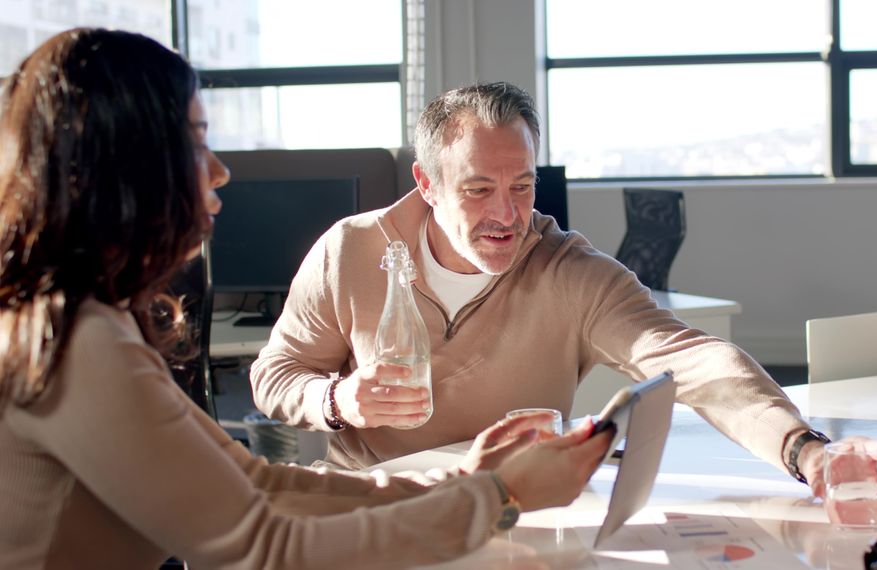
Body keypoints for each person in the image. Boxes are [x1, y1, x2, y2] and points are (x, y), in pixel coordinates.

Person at [0, 29, 612, 569]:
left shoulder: (83, 322)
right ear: (124, 169)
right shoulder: (75, 342)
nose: (217, 171)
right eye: (193, 143)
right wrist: (499, 500)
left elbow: (257, 484)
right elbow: (265, 550)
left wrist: (468, 481)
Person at [249, 81, 877, 515]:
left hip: (501, 508)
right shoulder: (353, 249)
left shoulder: (569, 273)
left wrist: (810, 452)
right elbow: (273, 377)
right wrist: (337, 398)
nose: (507, 213)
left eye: (523, 186)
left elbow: (697, 362)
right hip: (370, 501)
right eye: (479, 189)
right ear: (426, 182)